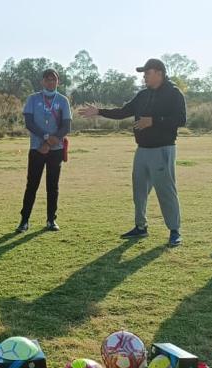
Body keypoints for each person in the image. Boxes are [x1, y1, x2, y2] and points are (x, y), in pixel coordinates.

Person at [78, 58, 187, 246]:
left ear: (158, 73)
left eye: (147, 73)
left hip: (162, 149)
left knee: (166, 190)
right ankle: (140, 227)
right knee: (139, 191)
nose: (144, 76)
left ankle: (174, 231)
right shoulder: (143, 95)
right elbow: (123, 112)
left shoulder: (174, 93)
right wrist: (99, 111)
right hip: (142, 150)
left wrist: (154, 121)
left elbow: (181, 119)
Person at [17, 69, 71, 232]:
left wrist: (51, 141)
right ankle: (24, 221)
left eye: (53, 79)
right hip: (36, 148)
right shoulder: (33, 99)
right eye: (47, 79)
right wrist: (46, 137)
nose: (50, 82)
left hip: (56, 150)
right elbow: (29, 123)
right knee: (32, 185)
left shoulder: (62, 100)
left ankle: (51, 220)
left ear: (58, 82)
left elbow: (66, 126)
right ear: (42, 81)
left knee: (52, 186)